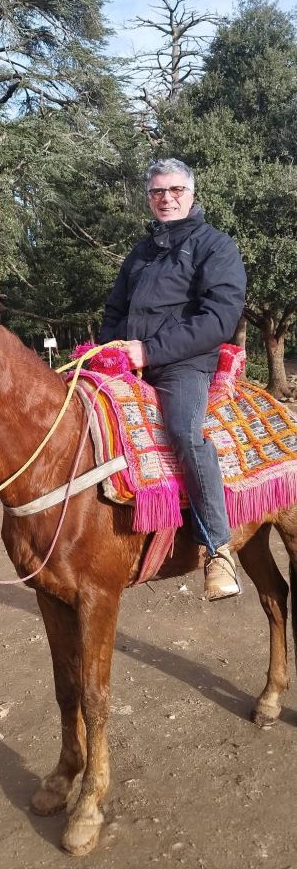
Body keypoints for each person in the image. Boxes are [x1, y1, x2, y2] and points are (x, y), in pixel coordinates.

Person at [98, 158, 247, 599]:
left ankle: (218, 549)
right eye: (158, 191)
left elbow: (219, 318)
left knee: (184, 432)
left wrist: (150, 350)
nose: (167, 198)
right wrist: (109, 349)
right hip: (130, 360)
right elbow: (114, 310)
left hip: (184, 363)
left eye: (176, 189)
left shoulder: (215, 246)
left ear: (191, 194)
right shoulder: (140, 253)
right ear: (149, 198)